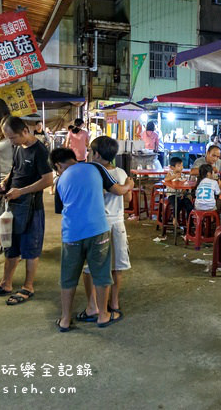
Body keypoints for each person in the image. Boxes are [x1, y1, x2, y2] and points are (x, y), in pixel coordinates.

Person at [0, 116, 53, 305]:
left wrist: (22, 191)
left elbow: (48, 180)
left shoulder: (40, 151)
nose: (11, 142)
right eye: (8, 138)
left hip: (31, 207)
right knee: (11, 246)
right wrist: (5, 183)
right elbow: (15, 170)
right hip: (13, 204)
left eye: (13, 138)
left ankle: (28, 287)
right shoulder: (19, 148)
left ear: (25, 132)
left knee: (30, 248)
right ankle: (6, 283)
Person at [50, 148, 122, 331]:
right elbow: (116, 189)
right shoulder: (95, 168)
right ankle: (103, 315)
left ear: (58, 166)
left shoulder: (59, 181)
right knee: (101, 273)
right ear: (74, 158)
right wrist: (128, 185)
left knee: (68, 277)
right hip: (97, 230)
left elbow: (61, 209)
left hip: (72, 234)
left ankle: (65, 319)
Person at [78, 137, 134, 323]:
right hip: (117, 223)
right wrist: (128, 186)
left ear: (97, 154)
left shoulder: (90, 172)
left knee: (90, 267)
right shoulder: (121, 173)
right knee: (116, 266)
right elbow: (128, 200)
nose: (87, 154)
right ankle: (114, 303)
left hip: (95, 224)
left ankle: (92, 305)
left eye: (89, 151)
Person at [164, 156, 193, 230]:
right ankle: (175, 218)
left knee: (189, 204)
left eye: (182, 165)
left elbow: (185, 186)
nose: (181, 167)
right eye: (179, 166)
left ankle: (189, 222)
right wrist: (173, 177)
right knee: (177, 203)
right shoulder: (170, 174)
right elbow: (166, 180)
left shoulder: (183, 175)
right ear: (172, 167)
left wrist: (183, 193)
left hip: (181, 194)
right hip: (172, 194)